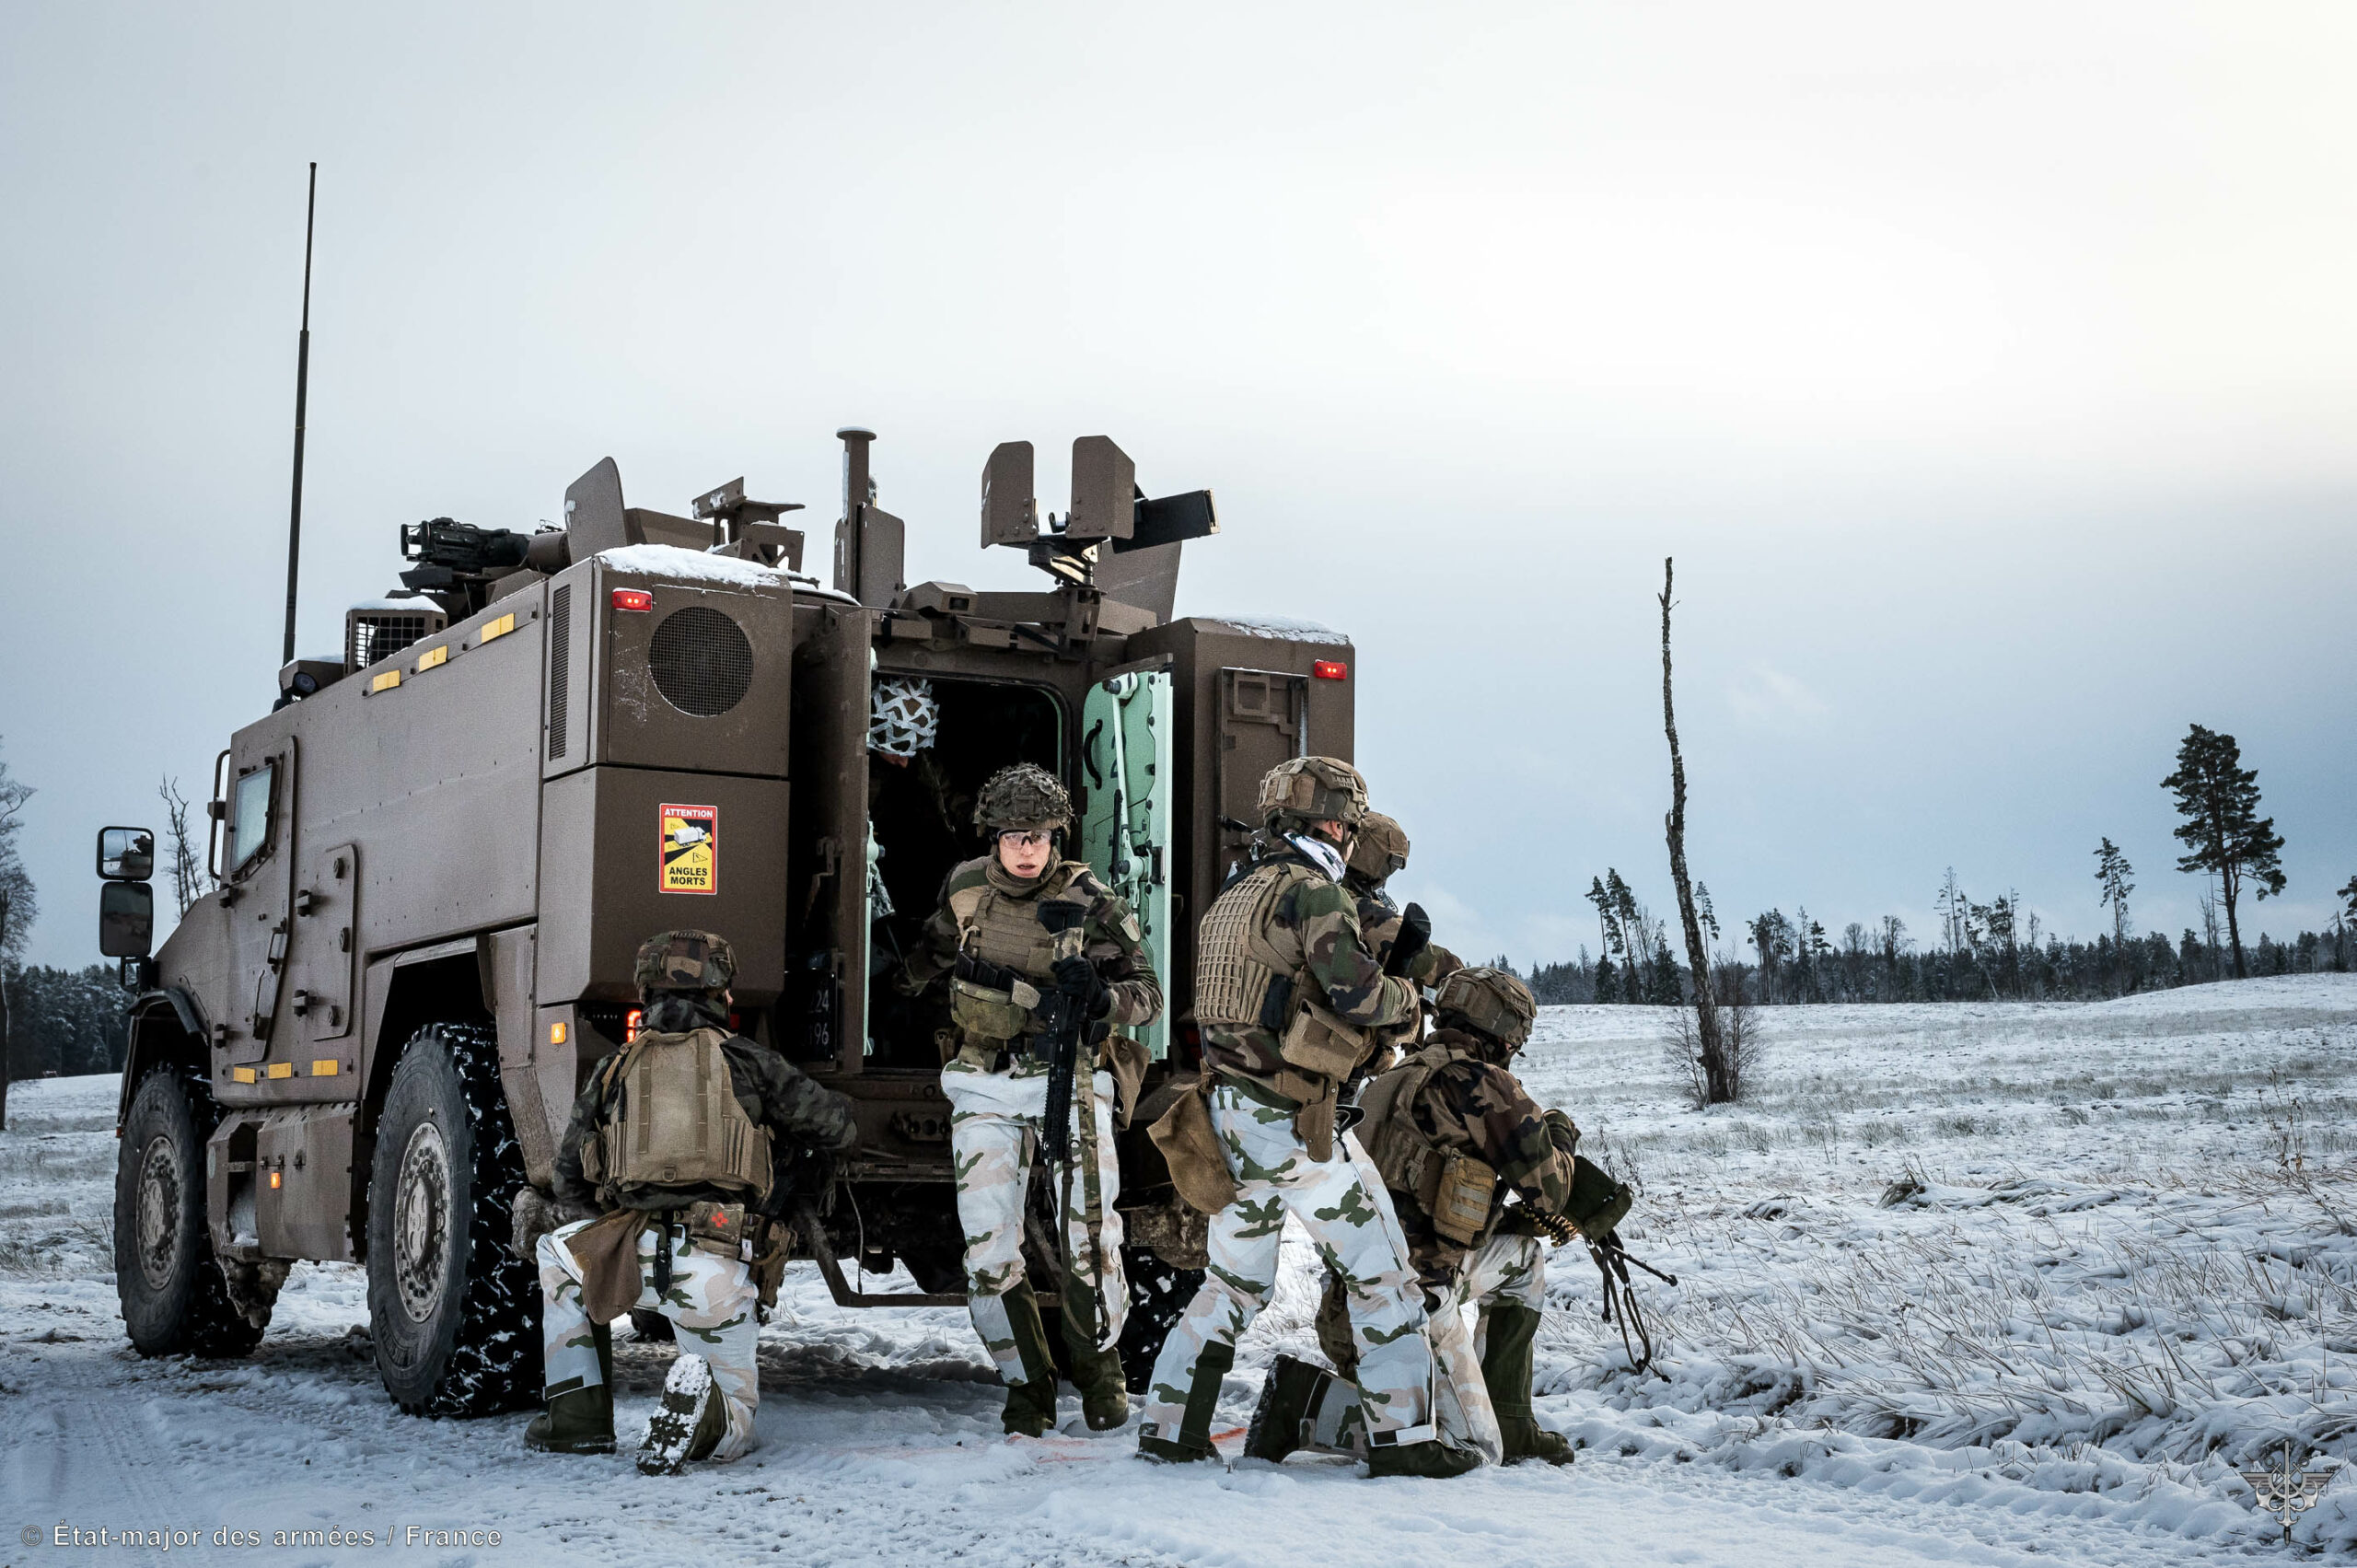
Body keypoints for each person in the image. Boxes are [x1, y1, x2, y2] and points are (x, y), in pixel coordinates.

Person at [1136, 756, 1474, 1478]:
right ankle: (1405, 1441)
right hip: (1299, 1130)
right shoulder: (1315, 892)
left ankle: (1168, 1429)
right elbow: (1355, 993)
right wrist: (1409, 1002)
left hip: (1226, 1121)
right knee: (1384, 1277)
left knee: (1231, 1286)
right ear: (1334, 822)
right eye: (1350, 824)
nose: (1352, 838)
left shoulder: (1235, 893)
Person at [528, 931, 858, 1473]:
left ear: (643, 995)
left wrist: (613, 1238)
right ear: (724, 995)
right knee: (738, 1419)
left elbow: (567, 1179)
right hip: (715, 1264)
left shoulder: (612, 1070)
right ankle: (705, 1414)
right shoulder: (748, 1061)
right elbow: (838, 1129)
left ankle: (576, 1420)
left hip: (629, 1254)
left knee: (554, 1252)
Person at [897, 763, 1163, 1435]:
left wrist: (1104, 998)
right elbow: (928, 955)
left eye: (1040, 835)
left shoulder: (1092, 899)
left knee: (1091, 1240)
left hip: (1069, 1078)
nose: (1027, 848)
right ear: (993, 836)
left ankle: (1101, 1370)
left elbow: (1148, 992)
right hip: (984, 1080)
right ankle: (1026, 1384)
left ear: (1058, 836)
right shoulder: (963, 887)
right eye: (1014, 835)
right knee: (988, 1250)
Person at [1248, 966, 1579, 1469]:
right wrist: (1559, 1134)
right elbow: (1550, 1192)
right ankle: (1304, 1404)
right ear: (1502, 1036)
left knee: (1523, 1257)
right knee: (1474, 1449)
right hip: (1413, 1306)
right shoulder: (1482, 1083)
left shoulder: (1390, 1080)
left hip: (1350, 1304)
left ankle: (1508, 1415)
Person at [1313, 809, 1460, 1376]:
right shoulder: (1357, 907)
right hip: (1341, 1078)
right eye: (1390, 864)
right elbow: (1432, 965)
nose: (1389, 876)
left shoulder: (1318, 891)